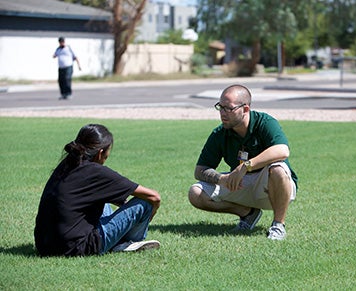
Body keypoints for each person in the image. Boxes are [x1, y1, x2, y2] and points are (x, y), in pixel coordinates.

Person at [188, 84, 298, 240]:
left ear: (245, 109)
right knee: (195, 193)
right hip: (241, 184)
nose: (222, 113)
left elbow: (282, 150)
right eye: (220, 107)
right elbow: (200, 170)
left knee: (278, 168)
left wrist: (245, 167)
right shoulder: (220, 133)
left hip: (270, 184)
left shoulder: (264, 122)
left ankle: (278, 225)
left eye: (229, 108)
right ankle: (248, 213)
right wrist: (222, 179)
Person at [34, 124, 161, 256]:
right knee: (145, 203)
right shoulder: (97, 173)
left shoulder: (67, 163)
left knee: (103, 196)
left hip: (44, 245)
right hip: (77, 247)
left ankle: (117, 240)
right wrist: (148, 216)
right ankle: (124, 242)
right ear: (100, 153)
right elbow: (154, 197)